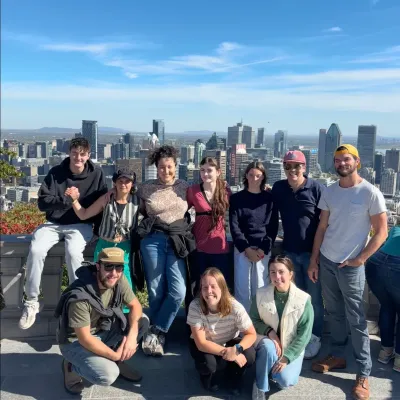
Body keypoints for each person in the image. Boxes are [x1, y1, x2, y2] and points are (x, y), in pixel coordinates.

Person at [308, 144, 388, 400]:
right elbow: (322, 227)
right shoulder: (330, 191)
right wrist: (314, 260)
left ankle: (364, 373)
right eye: (338, 160)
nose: (342, 164)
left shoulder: (370, 193)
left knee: (356, 319)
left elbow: (381, 232)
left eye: (347, 159)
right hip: (328, 261)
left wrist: (361, 259)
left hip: (352, 266)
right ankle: (339, 356)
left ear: (357, 162)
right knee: (334, 312)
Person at [19, 138, 107, 330]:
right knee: (36, 249)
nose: (78, 157)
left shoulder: (97, 175)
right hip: (53, 223)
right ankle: (32, 301)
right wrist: (66, 200)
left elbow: (102, 205)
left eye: (82, 154)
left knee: (74, 253)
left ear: (88, 155)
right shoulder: (56, 173)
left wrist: (100, 232)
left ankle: (77, 302)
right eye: (75, 153)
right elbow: (42, 202)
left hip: (81, 224)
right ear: (69, 153)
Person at [55, 247, 149, 395]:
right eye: (108, 266)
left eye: (119, 267)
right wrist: (114, 356)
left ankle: (117, 360)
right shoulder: (80, 297)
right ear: (98, 266)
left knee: (142, 321)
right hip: (75, 343)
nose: (113, 273)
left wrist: (132, 336)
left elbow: (135, 306)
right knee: (107, 375)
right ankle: (71, 366)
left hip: (103, 330)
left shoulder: (118, 279)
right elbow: (85, 339)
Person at [136, 145, 195, 356]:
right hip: (153, 240)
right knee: (155, 289)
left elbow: (207, 200)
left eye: (169, 167)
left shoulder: (185, 187)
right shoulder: (145, 188)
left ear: (176, 167)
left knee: (178, 291)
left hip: (176, 241)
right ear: (156, 168)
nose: (166, 171)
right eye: (162, 167)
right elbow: (134, 208)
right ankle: (159, 337)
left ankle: (156, 329)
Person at [271, 150, 325, 360]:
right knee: (297, 299)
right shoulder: (279, 188)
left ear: (304, 167)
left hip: (312, 255)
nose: (292, 170)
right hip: (289, 253)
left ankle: (315, 337)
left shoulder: (317, 189)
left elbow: (325, 223)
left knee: (315, 300)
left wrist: (315, 257)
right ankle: (300, 334)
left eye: (296, 166)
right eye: (288, 166)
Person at [65, 169, 139, 313]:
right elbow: (84, 214)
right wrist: (74, 200)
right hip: (105, 246)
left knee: (127, 285)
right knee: (102, 284)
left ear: (132, 184)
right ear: (115, 183)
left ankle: (125, 320)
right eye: (120, 181)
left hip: (124, 248)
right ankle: (102, 318)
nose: (123, 184)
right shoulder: (106, 199)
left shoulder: (137, 201)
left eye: (127, 181)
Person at [250, 255, 313, 399]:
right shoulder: (260, 293)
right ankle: (260, 385)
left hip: (290, 347)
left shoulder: (304, 300)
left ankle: (269, 369)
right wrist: (270, 333)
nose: (277, 276)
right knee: (267, 347)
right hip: (268, 341)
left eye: (281, 272)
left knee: (285, 381)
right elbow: (253, 320)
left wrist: (287, 357)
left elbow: (304, 336)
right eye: (272, 272)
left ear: (291, 274)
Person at [187, 267, 256, 395]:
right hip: (205, 345)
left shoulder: (235, 307)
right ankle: (207, 376)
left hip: (229, 340)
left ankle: (234, 376)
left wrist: (237, 350)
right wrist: (228, 353)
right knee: (210, 365)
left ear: (222, 288)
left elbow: (251, 334)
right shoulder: (195, 307)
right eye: (204, 287)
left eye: (213, 286)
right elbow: (201, 343)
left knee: (250, 355)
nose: (209, 291)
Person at [229, 161, 279, 312]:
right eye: (251, 175)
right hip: (243, 248)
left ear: (263, 177)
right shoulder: (237, 198)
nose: (254, 178)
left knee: (261, 288)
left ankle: (261, 325)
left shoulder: (269, 199)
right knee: (242, 288)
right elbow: (234, 226)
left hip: (262, 250)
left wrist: (263, 248)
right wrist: (246, 248)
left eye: (258, 175)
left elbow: (272, 227)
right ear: (246, 175)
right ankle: (243, 326)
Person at [187, 157, 231, 292]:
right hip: (200, 246)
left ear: (218, 172)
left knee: (219, 287)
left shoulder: (225, 191)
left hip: (220, 246)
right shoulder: (193, 191)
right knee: (199, 287)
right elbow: (182, 211)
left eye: (209, 170)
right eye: (202, 170)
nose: (205, 174)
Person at [365, 222, 400, 372]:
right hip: (396, 267)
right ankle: (399, 359)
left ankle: (385, 352)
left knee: (387, 306)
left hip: (375, 264)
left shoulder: (396, 228)